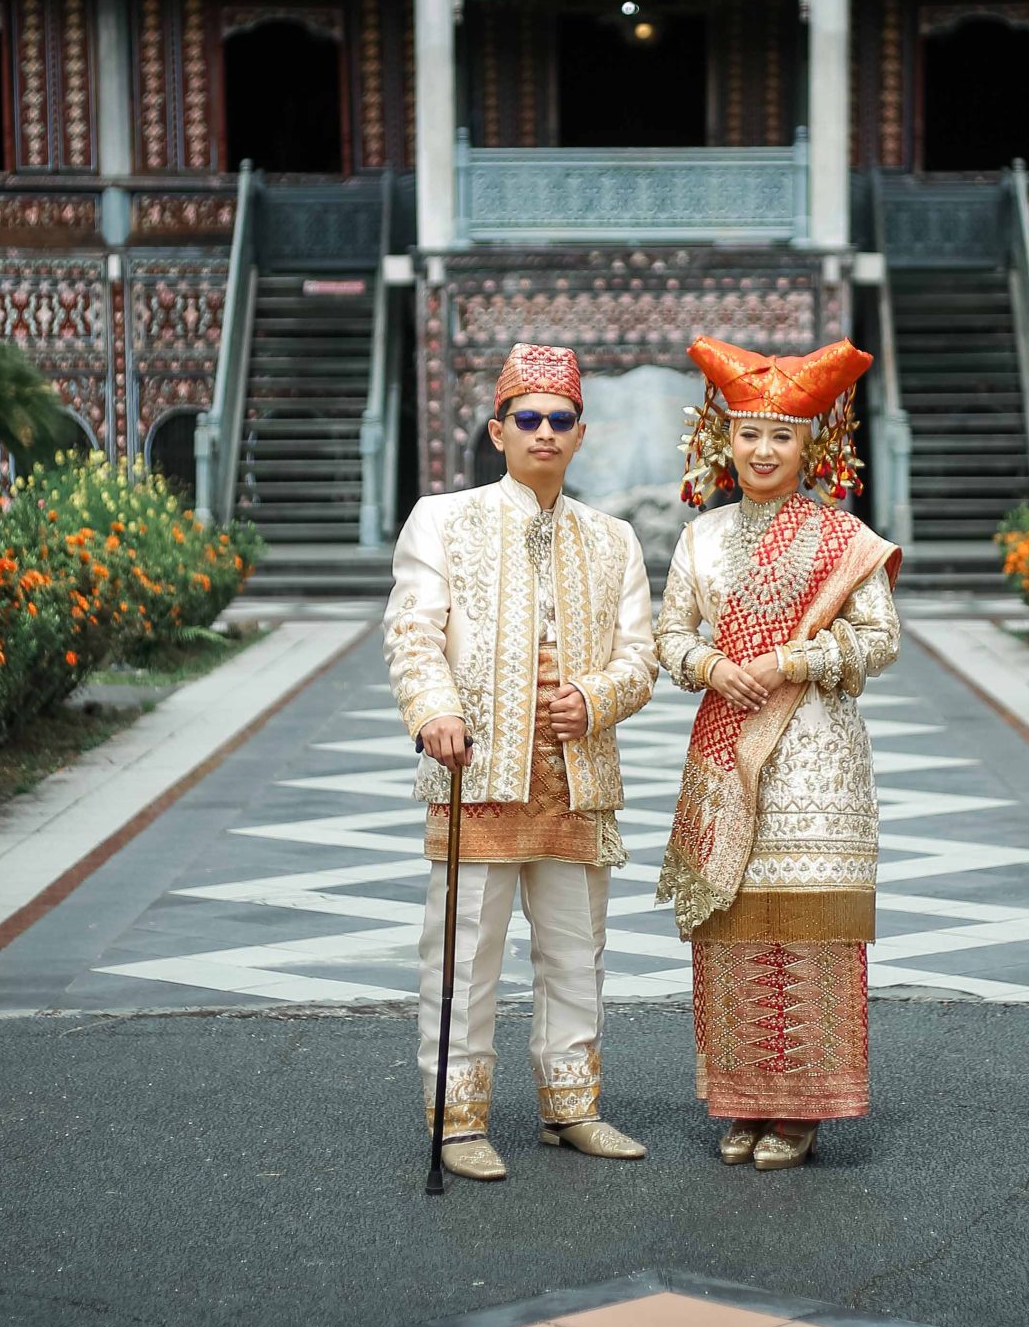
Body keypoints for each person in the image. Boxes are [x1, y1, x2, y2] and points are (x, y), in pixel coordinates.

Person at [384, 342, 657, 1181]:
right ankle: (457, 1121)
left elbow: (639, 657)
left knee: (577, 953)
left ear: (580, 435)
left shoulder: (612, 539)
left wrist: (596, 698)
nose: (544, 432)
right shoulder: (443, 519)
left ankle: (571, 1109)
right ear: (497, 430)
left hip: (575, 778)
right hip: (477, 773)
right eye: (527, 418)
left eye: (559, 420)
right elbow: (412, 631)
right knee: (464, 957)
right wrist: (434, 710)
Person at [655, 335, 901, 1170]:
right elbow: (669, 635)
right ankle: (744, 1101)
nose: (762, 450)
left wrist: (792, 660)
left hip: (815, 762)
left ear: (811, 446)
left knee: (808, 925)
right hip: (726, 747)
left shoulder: (844, 537)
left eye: (781, 436)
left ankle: (801, 1110)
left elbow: (879, 638)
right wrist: (711, 665)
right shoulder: (700, 538)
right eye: (749, 433)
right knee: (731, 928)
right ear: (721, 439)